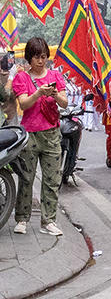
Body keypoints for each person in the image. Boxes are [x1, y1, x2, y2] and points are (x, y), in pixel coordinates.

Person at [10, 37, 69, 236]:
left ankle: (49, 221)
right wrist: (38, 93)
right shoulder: (21, 78)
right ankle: (22, 219)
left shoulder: (55, 76)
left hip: (52, 134)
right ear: (29, 58)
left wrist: (53, 94)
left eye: (43, 57)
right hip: (30, 135)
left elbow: (65, 103)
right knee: (26, 178)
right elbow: (24, 104)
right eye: (36, 57)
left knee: (52, 180)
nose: (40, 61)